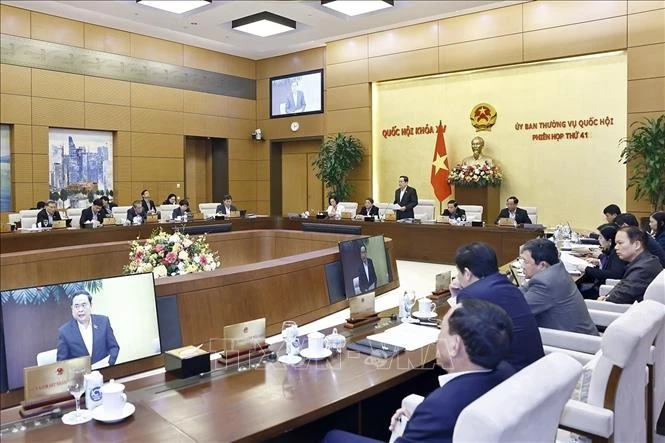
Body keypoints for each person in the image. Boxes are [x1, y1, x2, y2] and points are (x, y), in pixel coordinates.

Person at [323, 299, 514, 443]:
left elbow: (444, 413)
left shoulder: (440, 408)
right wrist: (419, 421)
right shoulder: (506, 372)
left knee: (333, 437)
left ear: (455, 346)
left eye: (443, 329)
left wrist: (421, 422)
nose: (439, 335)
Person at [450, 242, 544, 371]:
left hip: (508, 376)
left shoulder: (471, 294)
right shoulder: (508, 286)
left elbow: (460, 340)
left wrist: (460, 294)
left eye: (458, 272)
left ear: (466, 273)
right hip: (535, 369)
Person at [519, 239, 598, 335]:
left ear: (542, 265)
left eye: (525, 261)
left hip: (576, 345)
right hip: (579, 337)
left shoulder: (546, 283)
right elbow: (524, 289)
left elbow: (517, 310)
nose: (522, 265)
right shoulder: (556, 270)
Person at [601, 227, 663, 304]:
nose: (616, 247)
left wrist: (604, 300)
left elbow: (622, 296)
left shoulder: (643, 268)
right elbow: (623, 286)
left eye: (620, 243)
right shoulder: (645, 261)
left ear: (637, 245)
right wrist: (607, 296)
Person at [56, 290, 120, 366]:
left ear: (90, 305)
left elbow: (114, 347)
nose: (80, 310)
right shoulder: (64, 331)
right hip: (81, 376)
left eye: (84, 305)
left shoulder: (103, 322)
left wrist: (109, 363)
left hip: (104, 372)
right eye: (76, 306)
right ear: (72, 308)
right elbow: (61, 362)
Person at [576, 224, 627, 298]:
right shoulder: (612, 251)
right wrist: (599, 261)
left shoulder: (616, 253)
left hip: (603, 289)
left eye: (601, 238)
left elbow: (613, 274)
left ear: (609, 241)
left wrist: (586, 269)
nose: (599, 240)